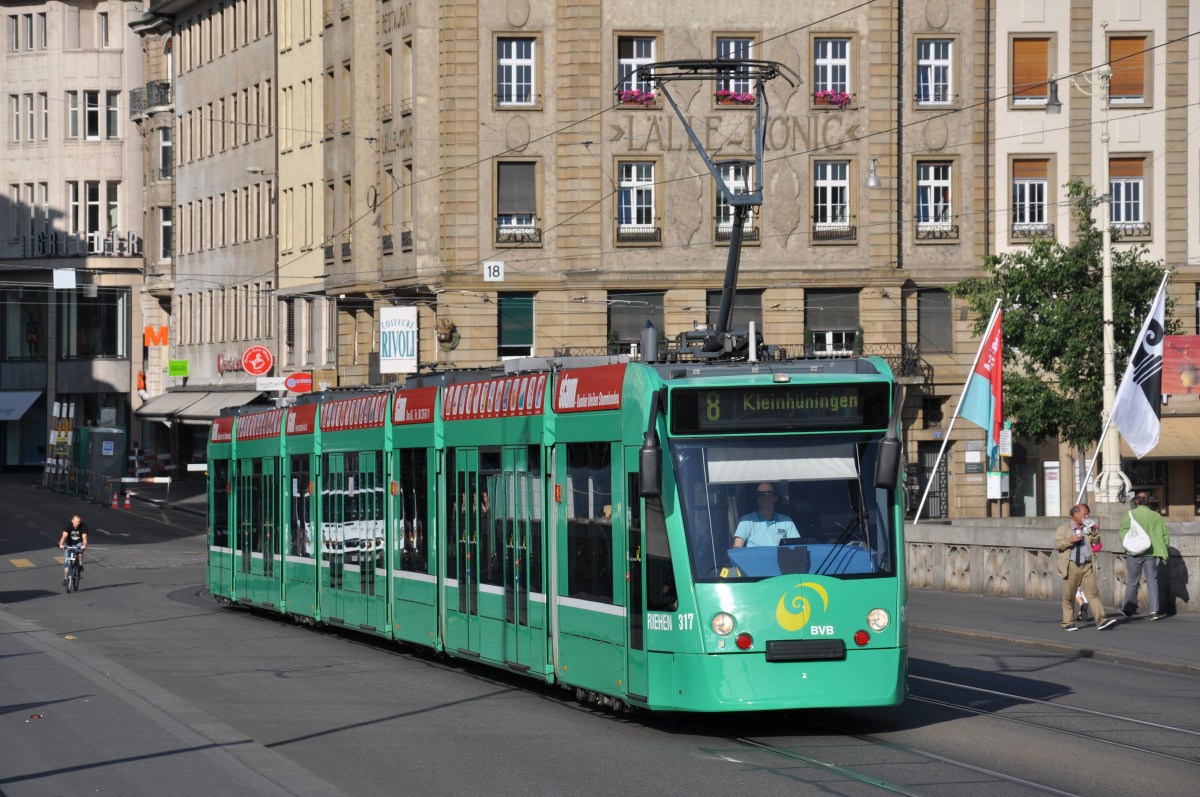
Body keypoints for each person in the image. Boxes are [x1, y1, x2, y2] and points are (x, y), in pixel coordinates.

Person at [1055, 503, 1117, 631]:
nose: (1087, 517)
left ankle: (1101, 620)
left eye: (1088, 514)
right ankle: (1068, 622)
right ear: (1076, 515)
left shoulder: (1087, 528)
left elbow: (1096, 542)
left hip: (1087, 564)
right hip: (1071, 564)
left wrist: (1095, 532)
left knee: (1093, 593)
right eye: (1084, 514)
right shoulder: (1063, 528)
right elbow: (1057, 544)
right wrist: (1070, 540)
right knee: (1069, 595)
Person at [1119, 491, 1171, 620]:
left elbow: (1122, 533)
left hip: (1133, 553)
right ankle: (1154, 611)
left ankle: (1128, 609)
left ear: (1136, 501)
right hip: (1151, 553)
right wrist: (1164, 549)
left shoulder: (1130, 514)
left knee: (1132, 581)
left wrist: (1129, 544)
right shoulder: (1156, 516)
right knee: (1152, 581)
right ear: (1148, 502)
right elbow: (1165, 535)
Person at [732, 483, 799, 548]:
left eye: (767, 493)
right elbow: (737, 548)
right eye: (759, 494)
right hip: (754, 559)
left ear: (775, 498)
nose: (762, 496)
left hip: (780, 559)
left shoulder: (787, 521)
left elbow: (796, 548)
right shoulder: (746, 520)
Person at [58, 514, 89, 585]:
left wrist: (84, 545)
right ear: (72, 521)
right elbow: (64, 536)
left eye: (78, 522)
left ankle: (80, 564)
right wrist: (61, 544)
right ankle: (66, 578)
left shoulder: (84, 526)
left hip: (78, 543)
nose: (77, 523)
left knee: (80, 550)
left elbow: (84, 538)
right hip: (69, 544)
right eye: (75, 522)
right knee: (66, 561)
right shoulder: (68, 526)